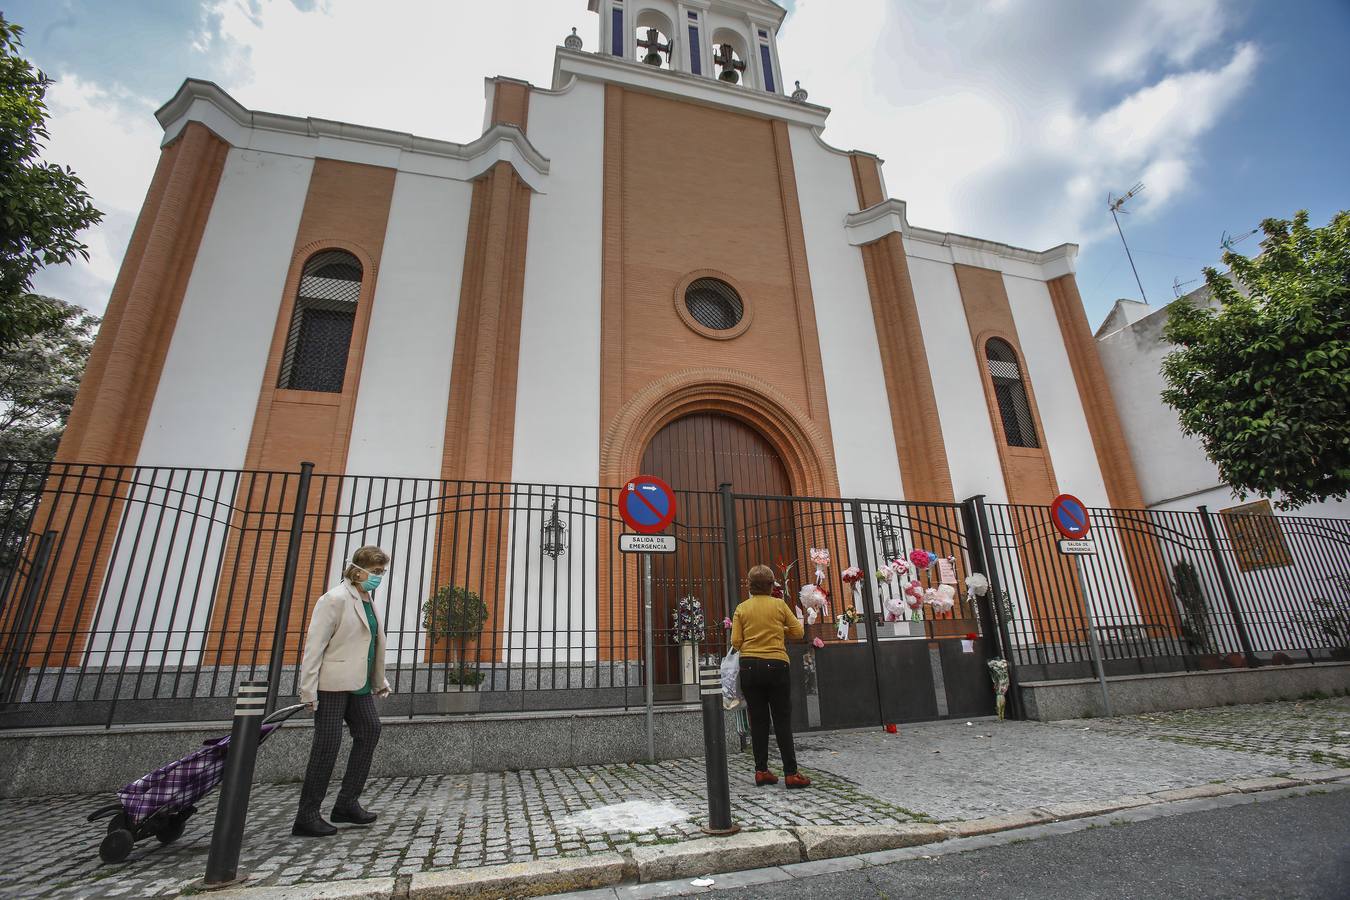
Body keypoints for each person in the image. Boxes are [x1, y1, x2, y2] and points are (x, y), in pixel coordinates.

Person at [293, 545, 392, 837]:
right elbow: (314, 647)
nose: (379, 577)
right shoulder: (334, 599)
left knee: (370, 730)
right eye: (375, 572)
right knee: (327, 746)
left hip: (358, 684)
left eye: (382, 572)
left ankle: (346, 803)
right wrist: (308, 690)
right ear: (358, 569)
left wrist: (379, 680)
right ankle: (307, 815)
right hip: (332, 685)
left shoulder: (366, 599)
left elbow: (369, 644)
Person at [731, 564, 810, 788]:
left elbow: (736, 642)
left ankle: (761, 770)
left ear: (750, 586)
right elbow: (798, 632)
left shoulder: (741, 608)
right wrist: (778, 630)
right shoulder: (779, 605)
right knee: (782, 719)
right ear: (770, 585)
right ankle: (791, 773)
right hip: (776, 665)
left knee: (758, 720)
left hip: (749, 667)